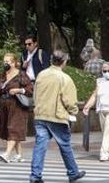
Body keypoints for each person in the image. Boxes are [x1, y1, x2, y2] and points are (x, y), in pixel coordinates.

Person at [29, 51, 85, 183]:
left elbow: (35, 95)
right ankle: (73, 172)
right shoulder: (64, 78)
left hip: (40, 114)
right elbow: (70, 101)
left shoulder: (41, 75)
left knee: (40, 146)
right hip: (57, 116)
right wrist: (73, 111)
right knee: (65, 144)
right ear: (64, 62)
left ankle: (35, 175)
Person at [0, 53, 32, 163]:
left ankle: (7, 154)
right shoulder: (3, 75)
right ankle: (19, 155)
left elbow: (30, 89)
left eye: (8, 61)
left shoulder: (21, 75)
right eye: (4, 61)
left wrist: (19, 90)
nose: (5, 63)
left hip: (17, 105)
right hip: (5, 105)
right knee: (10, 129)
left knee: (13, 128)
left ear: (14, 63)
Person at [82, 61, 109, 162]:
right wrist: (88, 106)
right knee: (106, 132)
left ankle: (104, 153)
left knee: (108, 131)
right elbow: (95, 94)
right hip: (101, 109)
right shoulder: (99, 81)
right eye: (104, 71)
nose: (107, 72)